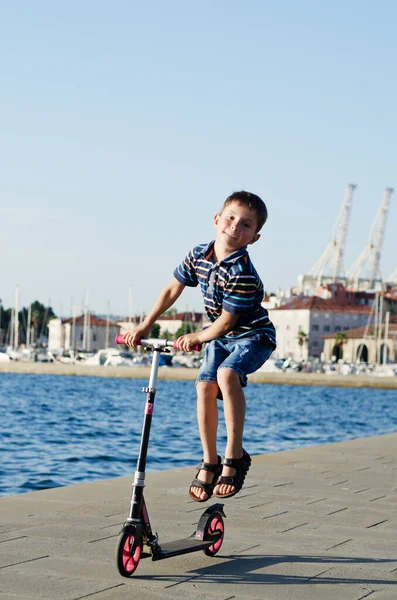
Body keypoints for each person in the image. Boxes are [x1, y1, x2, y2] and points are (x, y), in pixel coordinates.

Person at [122, 191, 276, 501]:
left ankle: (234, 457)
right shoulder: (198, 255)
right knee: (204, 386)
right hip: (218, 337)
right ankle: (209, 460)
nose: (235, 227)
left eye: (245, 225)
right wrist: (147, 322)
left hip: (252, 336)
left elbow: (228, 322)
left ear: (254, 238)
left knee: (227, 375)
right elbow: (172, 288)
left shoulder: (241, 272)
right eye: (230, 218)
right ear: (217, 220)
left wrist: (197, 337)